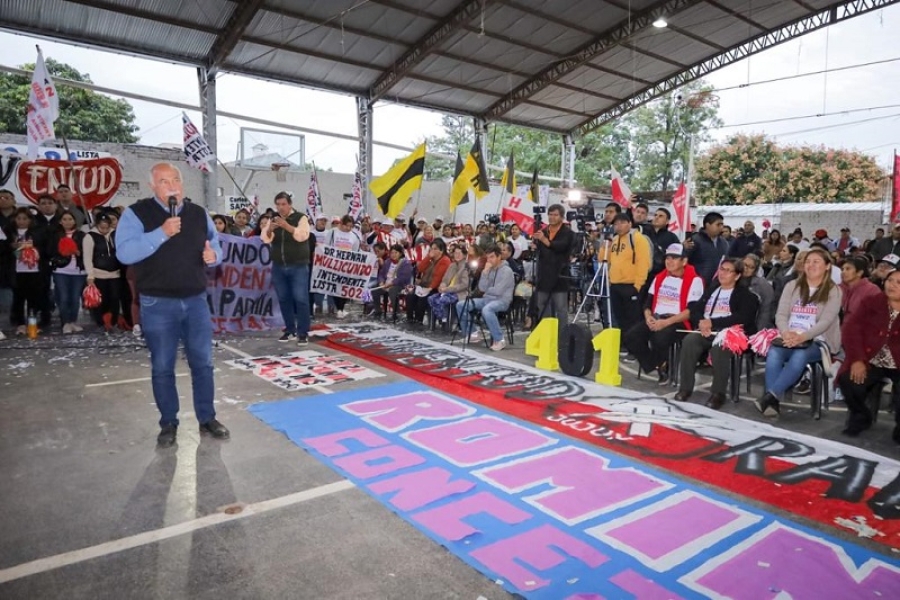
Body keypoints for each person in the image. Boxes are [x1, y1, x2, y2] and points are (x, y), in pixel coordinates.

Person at [116, 162, 227, 447]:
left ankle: (207, 417)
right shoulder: (136, 214)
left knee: (203, 363)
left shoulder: (199, 214)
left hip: (196, 301)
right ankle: (168, 422)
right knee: (163, 365)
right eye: (164, 181)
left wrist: (214, 255)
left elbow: (216, 244)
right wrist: (161, 233)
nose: (171, 186)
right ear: (152, 186)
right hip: (157, 303)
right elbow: (125, 253)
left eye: (175, 179)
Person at [756, 247, 842, 418]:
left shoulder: (834, 291)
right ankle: (772, 401)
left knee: (800, 355)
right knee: (774, 352)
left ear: (827, 266)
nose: (810, 265)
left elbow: (826, 322)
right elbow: (781, 314)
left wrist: (803, 336)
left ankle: (770, 396)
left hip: (817, 340)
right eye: (808, 261)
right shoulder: (792, 286)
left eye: (816, 261)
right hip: (789, 336)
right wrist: (786, 332)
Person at [675, 257, 759, 409]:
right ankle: (685, 388)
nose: (723, 273)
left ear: (737, 276)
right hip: (707, 330)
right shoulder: (712, 290)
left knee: (719, 347)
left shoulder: (746, 295)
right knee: (690, 341)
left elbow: (742, 318)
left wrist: (713, 322)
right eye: (722, 269)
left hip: (730, 334)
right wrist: (701, 322)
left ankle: (718, 393)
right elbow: (695, 310)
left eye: (728, 271)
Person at [623, 243, 703, 385]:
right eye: (667, 258)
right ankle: (658, 364)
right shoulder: (659, 277)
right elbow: (647, 303)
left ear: (684, 261)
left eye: (674, 258)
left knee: (659, 337)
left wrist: (665, 322)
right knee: (630, 337)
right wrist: (648, 317)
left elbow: (691, 312)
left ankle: (662, 365)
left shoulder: (695, 280)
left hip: (678, 321)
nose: (669, 261)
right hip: (656, 317)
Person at [837, 269, 900, 440]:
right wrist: (857, 359)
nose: (892, 285)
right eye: (890, 280)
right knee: (848, 380)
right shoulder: (872, 302)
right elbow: (851, 330)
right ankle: (861, 416)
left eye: (899, 283)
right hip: (871, 359)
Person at [261, 191, 313, 343]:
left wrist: (287, 226)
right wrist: (270, 229)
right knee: (283, 299)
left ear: (290, 205)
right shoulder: (273, 219)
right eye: (278, 204)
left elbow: (303, 235)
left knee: (301, 299)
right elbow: (264, 238)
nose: (280, 207)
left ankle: (303, 332)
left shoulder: (301, 218)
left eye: (283, 204)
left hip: (298, 265)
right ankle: (290, 329)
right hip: (278, 265)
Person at [597, 212, 651, 333]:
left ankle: (632, 341)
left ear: (630, 224)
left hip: (631, 285)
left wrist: (638, 285)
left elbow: (643, 263)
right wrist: (605, 246)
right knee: (619, 318)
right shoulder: (614, 239)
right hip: (615, 284)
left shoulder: (638, 239)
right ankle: (622, 341)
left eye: (622, 223)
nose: (619, 226)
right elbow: (603, 259)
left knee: (632, 319)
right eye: (616, 224)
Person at [457, 245, 515, 351]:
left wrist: (487, 290)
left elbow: (498, 291)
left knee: (487, 309)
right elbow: (481, 287)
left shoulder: (507, 271)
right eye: (488, 257)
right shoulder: (489, 269)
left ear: (499, 257)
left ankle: (500, 340)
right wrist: (484, 273)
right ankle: (473, 333)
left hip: (502, 300)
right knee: (461, 305)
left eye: (492, 257)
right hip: (487, 299)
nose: (489, 260)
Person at [532, 203, 574, 331]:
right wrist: (534, 246)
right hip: (544, 274)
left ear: (562, 217)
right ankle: (547, 332)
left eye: (555, 215)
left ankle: (562, 335)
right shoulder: (543, 231)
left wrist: (544, 240)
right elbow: (540, 249)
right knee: (542, 305)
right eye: (550, 214)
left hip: (559, 274)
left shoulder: (567, 233)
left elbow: (561, 246)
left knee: (561, 308)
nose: (552, 217)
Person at [49, 210, 86, 333]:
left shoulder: (81, 235)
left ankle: (73, 321)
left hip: (78, 271)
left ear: (74, 221)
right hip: (61, 270)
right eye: (64, 219)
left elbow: (87, 251)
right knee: (63, 297)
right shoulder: (55, 235)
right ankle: (65, 322)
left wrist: (79, 253)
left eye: (70, 219)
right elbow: (50, 251)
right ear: (60, 221)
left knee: (75, 297)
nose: (67, 222)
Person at [406, 239, 450, 325]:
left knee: (422, 299)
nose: (432, 251)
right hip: (423, 285)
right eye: (431, 248)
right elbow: (420, 268)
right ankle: (410, 319)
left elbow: (438, 277)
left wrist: (430, 288)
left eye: (435, 249)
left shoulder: (445, 260)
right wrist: (428, 257)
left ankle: (419, 320)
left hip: (435, 287)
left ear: (441, 250)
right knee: (410, 295)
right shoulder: (430, 259)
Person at [326, 215, 362, 318]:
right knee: (335, 288)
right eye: (347, 226)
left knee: (345, 288)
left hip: (347, 266)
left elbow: (355, 251)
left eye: (351, 226)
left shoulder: (354, 236)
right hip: (334, 265)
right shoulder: (332, 232)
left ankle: (341, 308)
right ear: (341, 223)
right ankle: (339, 309)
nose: (349, 228)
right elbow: (326, 247)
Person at [428, 244, 470, 325]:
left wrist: (448, 289)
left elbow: (464, 285)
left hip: (459, 293)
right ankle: (439, 320)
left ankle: (445, 322)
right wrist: (442, 285)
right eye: (456, 253)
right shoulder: (452, 265)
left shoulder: (466, 266)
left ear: (464, 255)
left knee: (443, 300)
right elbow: (445, 279)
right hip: (447, 291)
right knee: (431, 298)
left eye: (459, 253)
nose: (457, 255)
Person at [370, 244, 413, 320]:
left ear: (400, 253)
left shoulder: (405, 263)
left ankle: (397, 312)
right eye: (392, 253)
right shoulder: (387, 262)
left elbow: (403, 278)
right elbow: (381, 274)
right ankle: (378, 310)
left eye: (396, 253)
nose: (393, 255)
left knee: (392, 291)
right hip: (386, 284)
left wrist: (392, 283)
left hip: (400, 285)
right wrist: (381, 282)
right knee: (374, 289)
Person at [689, 212, 729, 285]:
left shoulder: (724, 243)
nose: (721, 228)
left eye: (722, 225)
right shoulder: (695, 240)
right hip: (698, 283)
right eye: (718, 225)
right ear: (708, 225)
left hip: (719, 283)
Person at [840, 255, 882, 322]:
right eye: (842, 269)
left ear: (859, 273)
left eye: (848, 269)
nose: (843, 272)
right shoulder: (838, 288)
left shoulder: (872, 290)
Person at [742, 253, 775, 330]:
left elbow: (766, 310)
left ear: (755, 270)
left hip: (752, 327)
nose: (746, 268)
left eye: (751, 267)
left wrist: (758, 331)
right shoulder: (731, 279)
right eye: (744, 264)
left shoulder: (763, 285)